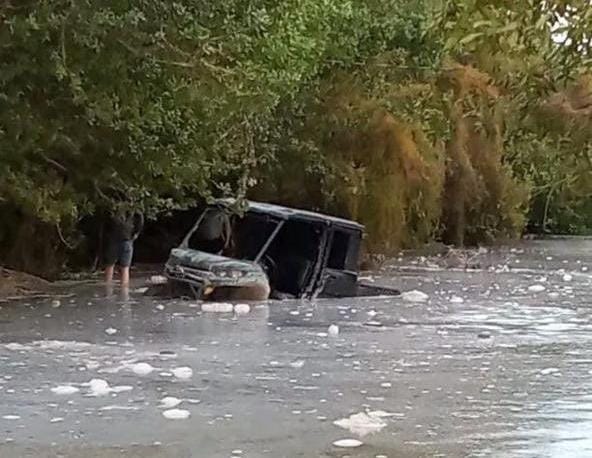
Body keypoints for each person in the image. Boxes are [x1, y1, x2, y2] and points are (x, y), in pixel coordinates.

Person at [104, 208, 144, 286]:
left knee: (110, 265)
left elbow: (107, 223)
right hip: (127, 239)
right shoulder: (133, 209)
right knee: (125, 268)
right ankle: (124, 290)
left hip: (114, 240)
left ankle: (107, 288)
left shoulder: (114, 208)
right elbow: (140, 219)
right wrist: (136, 233)